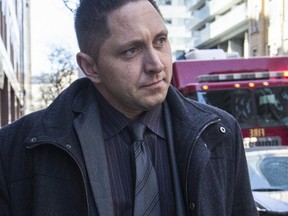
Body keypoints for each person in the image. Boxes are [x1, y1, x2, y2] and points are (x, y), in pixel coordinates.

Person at [0, 0, 258, 215]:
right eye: (131, 51)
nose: (156, 64)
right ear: (90, 67)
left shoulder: (220, 132)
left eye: (160, 41)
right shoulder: (16, 150)